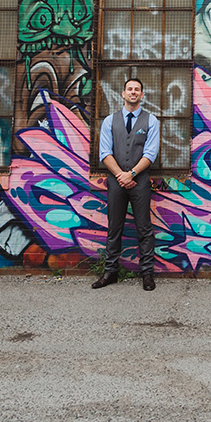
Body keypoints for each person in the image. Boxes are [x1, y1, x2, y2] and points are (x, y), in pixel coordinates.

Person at [92, 78, 159, 292]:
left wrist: (131, 174)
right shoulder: (109, 121)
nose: (133, 92)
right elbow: (105, 152)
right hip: (115, 180)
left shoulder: (151, 121)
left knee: (144, 229)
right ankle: (110, 272)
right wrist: (121, 175)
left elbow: (150, 153)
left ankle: (147, 273)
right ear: (123, 94)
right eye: (129, 89)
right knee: (114, 227)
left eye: (137, 90)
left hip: (140, 181)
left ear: (141, 94)